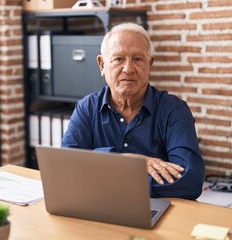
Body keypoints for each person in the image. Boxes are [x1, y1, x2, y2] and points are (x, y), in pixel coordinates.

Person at [61, 22, 205, 200]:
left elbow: (190, 182)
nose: (128, 69)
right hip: (98, 203)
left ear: (149, 65)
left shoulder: (174, 111)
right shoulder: (87, 108)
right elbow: (67, 167)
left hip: (156, 209)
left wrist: (105, 173)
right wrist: (127, 160)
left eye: (137, 59)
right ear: (102, 65)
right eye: (118, 59)